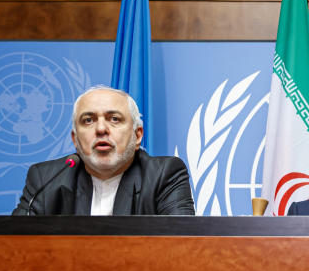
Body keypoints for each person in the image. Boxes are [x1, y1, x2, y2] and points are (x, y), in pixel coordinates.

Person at [12, 86, 195, 215]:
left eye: (114, 119)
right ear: (75, 140)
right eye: (88, 120)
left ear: (137, 136)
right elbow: (13, 245)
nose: (101, 129)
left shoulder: (163, 175)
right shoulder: (46, 179)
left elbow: (181, 246)